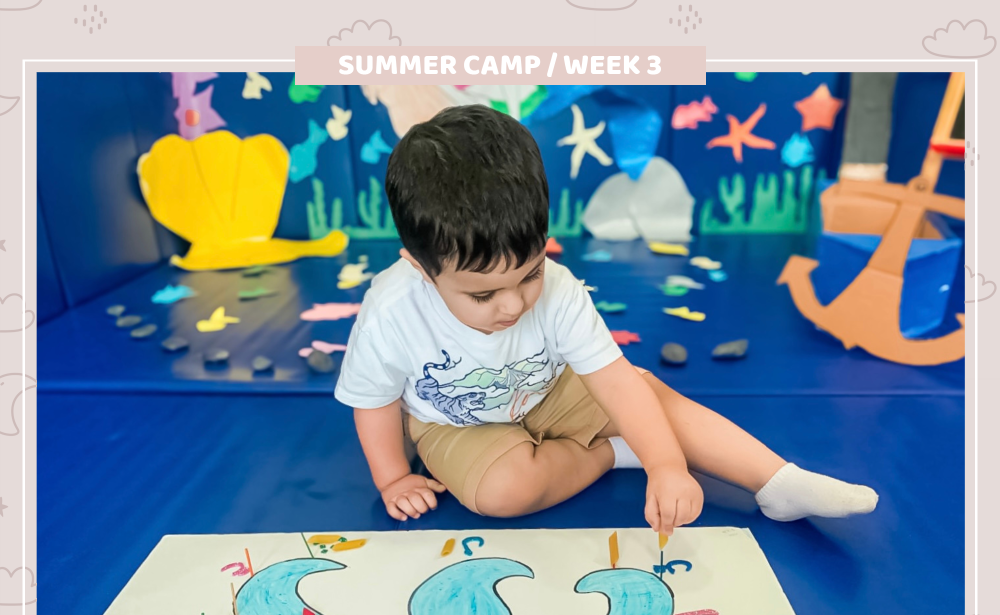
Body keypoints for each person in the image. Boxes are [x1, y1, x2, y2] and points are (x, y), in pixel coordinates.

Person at [334, 105, 878, 534]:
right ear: (421, 268)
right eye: (484, 294)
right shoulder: (392, 310)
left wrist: (667, 465)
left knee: (650, 399)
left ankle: (777, 481)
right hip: (457, 421)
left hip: (550, 388)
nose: (514, 305)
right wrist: (394, 477)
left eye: (530, 274)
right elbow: (373, 401)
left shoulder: (559, 289)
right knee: (501, 493)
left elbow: (614, 381)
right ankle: (611, 455)